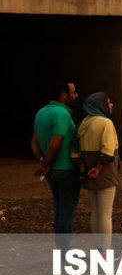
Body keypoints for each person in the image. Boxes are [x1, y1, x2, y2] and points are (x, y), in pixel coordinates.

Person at [31, 81, 80, 250]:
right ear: (63, 95)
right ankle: (65, 251)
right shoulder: (61, 114)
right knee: (67, 210)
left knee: (59, 207)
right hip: (65, 169)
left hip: (52, 172)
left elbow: (34, 142)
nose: (76, 95)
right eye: (73, 92)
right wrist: (46, 163)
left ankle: (61, 248)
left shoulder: (41, 113)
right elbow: (54, 144)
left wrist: (42, 163)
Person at [73, 92, 120, 252]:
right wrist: (98, 168)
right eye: (108, 102)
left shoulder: (83, 124)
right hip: (103, 172)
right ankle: (105, 253)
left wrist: (83, 168)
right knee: (106, 213)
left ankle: (97, 249)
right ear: (100, 106)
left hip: (87, 171)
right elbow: (108, 151)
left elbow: (74, 151)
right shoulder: (106, 123)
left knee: (96, 212)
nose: (111, 105)